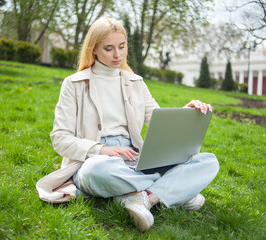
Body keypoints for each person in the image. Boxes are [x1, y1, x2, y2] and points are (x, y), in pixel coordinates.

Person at [49, 17, 219, 232]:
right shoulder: (74, 84)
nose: (117, 55)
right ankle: (172, 189)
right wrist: (102, 149)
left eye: (121, 47)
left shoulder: (135, 82)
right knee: (96, 171)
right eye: (109, 48)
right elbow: (60, 137)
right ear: (94, 50)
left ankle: (142, 197)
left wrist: (187, 111)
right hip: (94, 159)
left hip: (134, 157)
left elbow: (159, 121)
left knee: (207, 161)